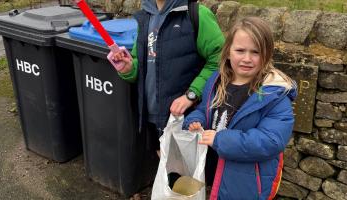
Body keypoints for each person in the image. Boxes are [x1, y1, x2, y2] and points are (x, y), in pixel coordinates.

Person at [112, 0, 224, 199]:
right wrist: (128, 69)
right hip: (151, 117)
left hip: (185, 118)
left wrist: (191, 94)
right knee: (167, 170)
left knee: (187, 179)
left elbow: (220, 59)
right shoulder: (145, 16)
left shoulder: (196, 15)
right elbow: (141, 66)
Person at [183, 17, 297, 200]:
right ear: (228, 51)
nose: (247, 59)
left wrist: (220, 140)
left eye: (256, 52)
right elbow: (205, 109)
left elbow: (271, 141)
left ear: (267, 55)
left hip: (245, 183)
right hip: (212, 170)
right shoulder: (216, 81)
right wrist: (195, 120)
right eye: (240, 50)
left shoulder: (275, 94)